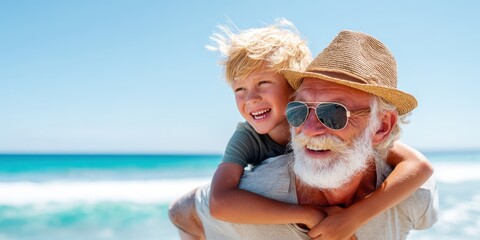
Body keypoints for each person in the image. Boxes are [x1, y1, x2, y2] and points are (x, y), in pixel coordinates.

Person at [169, 21, 435, 240]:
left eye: (333, 113)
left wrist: (356, 217)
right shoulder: (251, 161)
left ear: (382, 127)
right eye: (299, 111)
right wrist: (307, 214)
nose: (310, 128)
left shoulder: (413, 196)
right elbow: (202, 206)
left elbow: (419, 167)